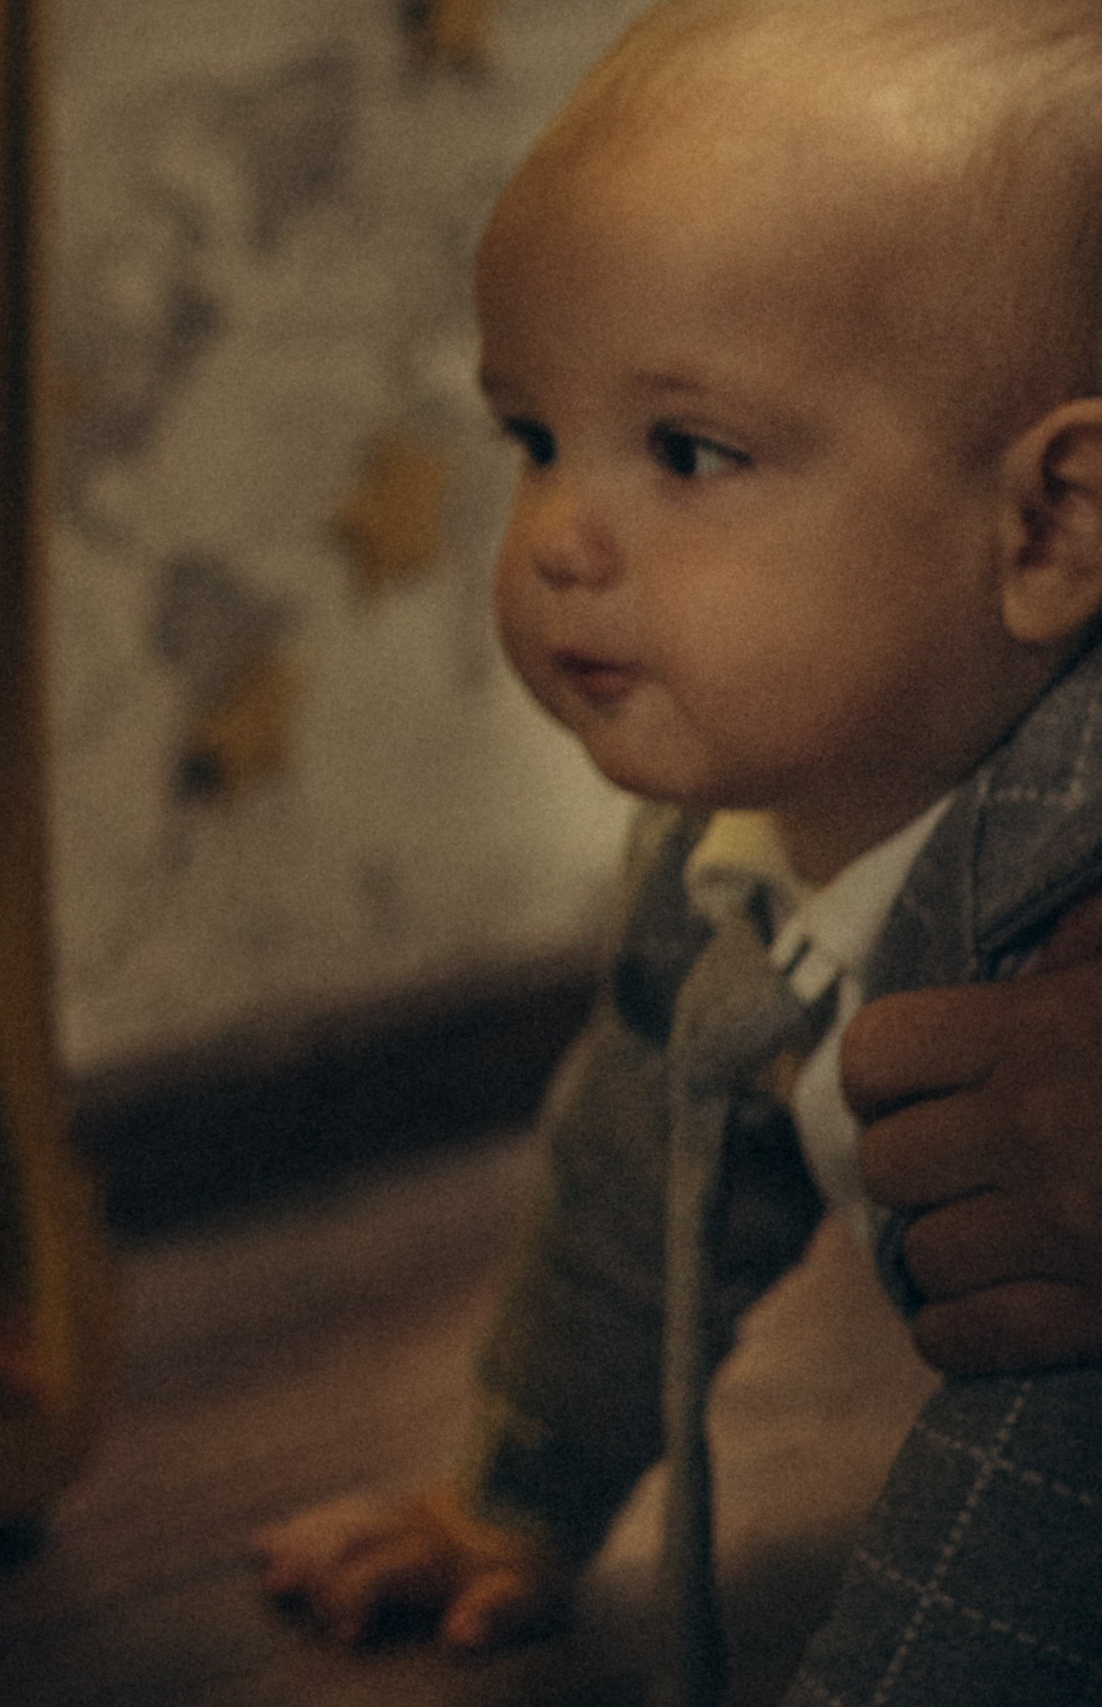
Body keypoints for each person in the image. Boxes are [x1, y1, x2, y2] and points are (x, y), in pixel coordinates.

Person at [249, 3, 1102, 1703]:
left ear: (1049, 526)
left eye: (689, 453)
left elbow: (1044, 1480)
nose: (562, 539)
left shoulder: (1058, 928)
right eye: (532, 436)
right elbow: (641, 1172)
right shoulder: (744, 834)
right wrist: (517, 1494)